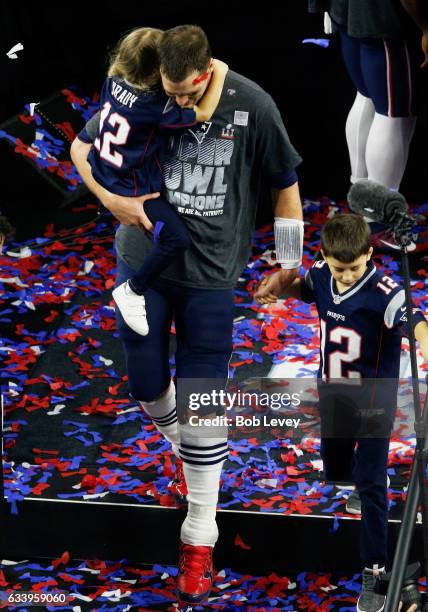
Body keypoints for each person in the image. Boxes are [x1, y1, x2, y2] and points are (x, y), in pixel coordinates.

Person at [70, 24, 303, 607]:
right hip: (143, 260)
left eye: (186, 91)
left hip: (211, 277)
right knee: (147, 385)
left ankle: (200, 537)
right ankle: (191, 451)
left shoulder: (251, 103)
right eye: (168, 92)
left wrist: (291, 263)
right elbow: (81, 146)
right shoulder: (148, 95)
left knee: (204, 401)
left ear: (204, 73)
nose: (176, 101)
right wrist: (111, 200)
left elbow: (285, 183)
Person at [255, 213, 428, 612]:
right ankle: (364, 493)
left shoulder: (384, 291)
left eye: (354, 268)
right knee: (335, 466)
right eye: (340, 268)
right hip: (332, 393)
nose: (347, 276)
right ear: (325, 256)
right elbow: (309, 288)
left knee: (370, 481)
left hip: (372, 402)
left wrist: (424, 343)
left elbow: (414, 318)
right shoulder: (322, 272)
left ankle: (377, 569)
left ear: (369, 253)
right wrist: (280, 287)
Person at [84, 26, 227, 336]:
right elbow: (202, 114)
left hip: (101, 167)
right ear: (157, 71)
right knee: (177, 239)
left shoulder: (112, 80)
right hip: (132, 190)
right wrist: (220, 73)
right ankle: (132, 290)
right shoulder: (154, 107)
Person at [308, 0, 425, 193]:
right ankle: (378, 214)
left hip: (347, 8)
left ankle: (362, 200)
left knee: (366, 98)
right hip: (386, 18)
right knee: (393, 114)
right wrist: (425, 25)